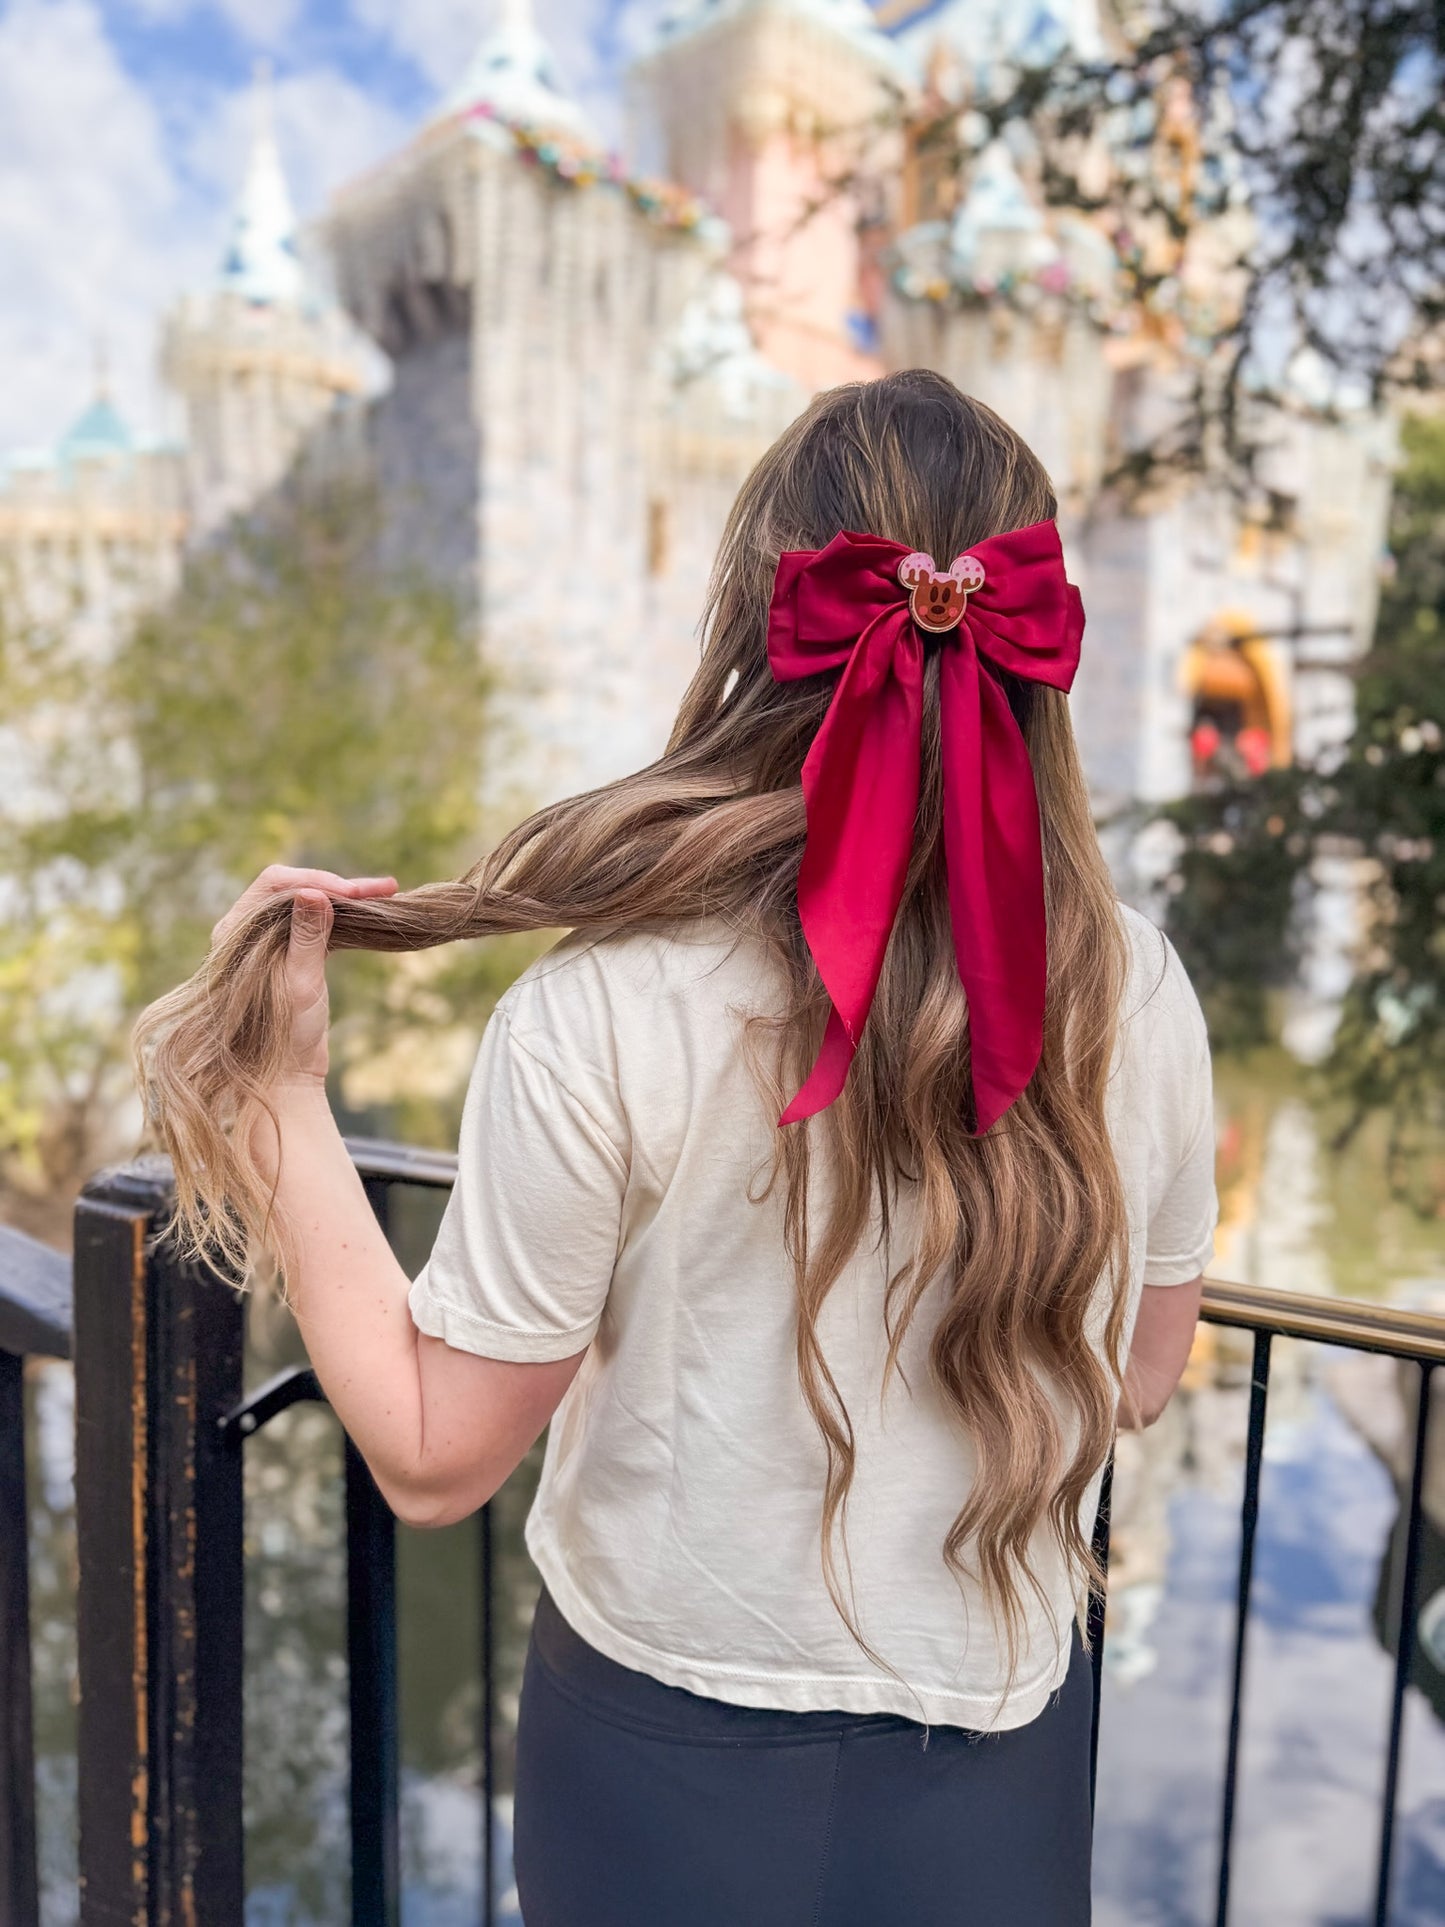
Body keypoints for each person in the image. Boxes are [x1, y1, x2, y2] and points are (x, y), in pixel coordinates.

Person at [134, 370, 1217, 1925]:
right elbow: (1134, 1376)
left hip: (659, 1772)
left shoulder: (597, 1011)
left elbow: (436, 1458)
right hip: (1002, 1763)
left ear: (749, 631)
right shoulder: (1140, 991)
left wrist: (283, 1100)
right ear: (1036, 660)